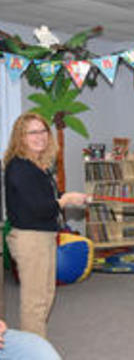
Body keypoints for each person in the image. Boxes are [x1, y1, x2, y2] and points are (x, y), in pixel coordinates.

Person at [4, 112, 88, 338]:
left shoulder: (36, 165)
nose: (40, 136)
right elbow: (39, 207)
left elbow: (45, 196)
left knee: (46, 294)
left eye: (43, 131)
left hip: (44, 235)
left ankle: (36, 346)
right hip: (30, 238)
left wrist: (67, 195)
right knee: (35, 301)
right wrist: (65, 201)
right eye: (33, 132)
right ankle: (34, 352)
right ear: (20, 137)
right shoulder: (19, 167)